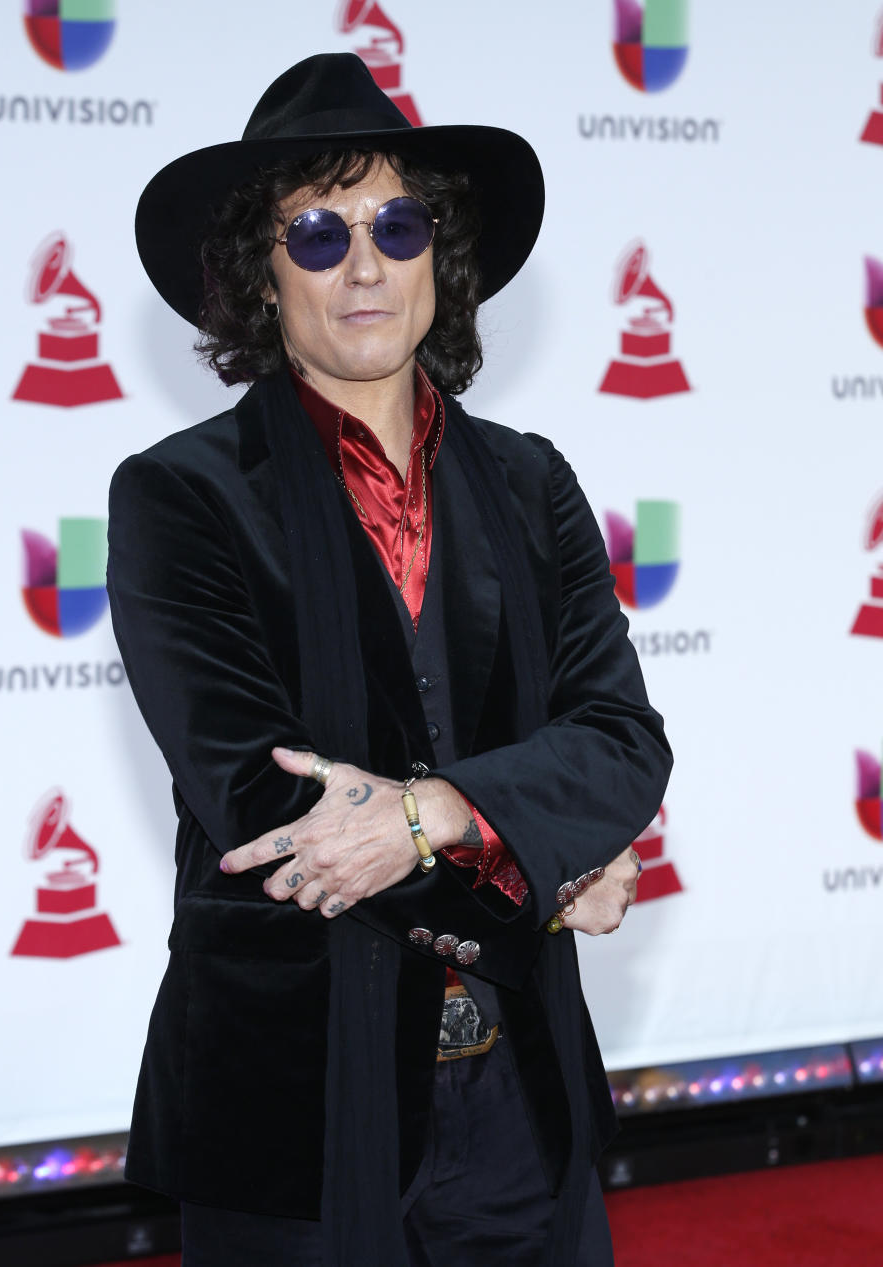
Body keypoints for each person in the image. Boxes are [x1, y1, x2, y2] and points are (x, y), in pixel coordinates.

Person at [108, 52, 672, 1267]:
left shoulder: (531, 481)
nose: (363, 264)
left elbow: (622, 740)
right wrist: (528, 854)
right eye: (315, 231)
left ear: (438, 257)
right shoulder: (180, 498)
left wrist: (436, 815)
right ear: (263, 274)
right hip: (297, 1103)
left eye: (396, 224)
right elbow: (268, 808)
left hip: (521, 1087)